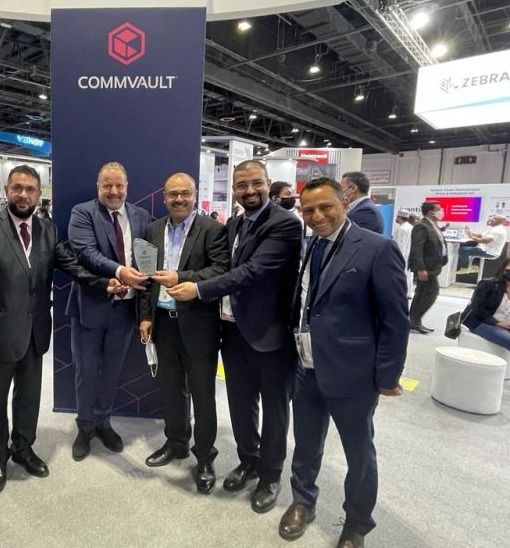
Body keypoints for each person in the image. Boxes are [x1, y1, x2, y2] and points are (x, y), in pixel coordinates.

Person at [0, 165, 122, 494]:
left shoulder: (47, 228)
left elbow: (69, 263)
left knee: (29, 397)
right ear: (7, 190)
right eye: (18, 188)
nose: (24, 195)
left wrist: (105, 282)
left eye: (31, 189)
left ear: (39, 193)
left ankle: (23, 449)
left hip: (35, 330)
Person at [278, 177, 408, 548]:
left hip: (353, 373)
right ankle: (303, 502)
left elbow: (396, 320)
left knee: (360, 454)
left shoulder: (377, 249)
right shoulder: (309, 246)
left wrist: (387, 376)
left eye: (325, 207)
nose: (317, 216)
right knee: (305, 445)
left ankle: (357, 524)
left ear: (344, 204)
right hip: (306, 368)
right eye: (309, 210)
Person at [169, 160, 302, 514]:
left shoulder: (286, 224)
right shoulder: (236, 224)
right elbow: (226, 267)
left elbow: (251, 272)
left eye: (255, 183)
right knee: (241, 404)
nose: (248, 191)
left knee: (274, 410)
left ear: (268, 184)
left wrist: (196, 288)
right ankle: (249, 460)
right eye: (241, 185)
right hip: (232, 329)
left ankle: (271, 476)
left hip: (269, 334)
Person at [138, 173, 229, 493]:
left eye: (185, 194)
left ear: (195, 195)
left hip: (199, 324)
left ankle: (204, 456)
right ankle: (176, 443)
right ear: (163, 197)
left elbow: (220, 270)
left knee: (203, 395)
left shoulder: (213, 230)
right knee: (171, 389)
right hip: (163, 323)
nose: (179, 199)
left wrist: (182, 275)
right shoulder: (152, 229)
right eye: (173, 194)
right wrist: (146, 316)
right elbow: (148, 278)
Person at [66, 161, 149, 460]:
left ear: (127, 187)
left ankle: (103, 421)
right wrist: (120, 271)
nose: (114, 191)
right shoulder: (82, 212)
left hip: (125, 311)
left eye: (119, 185)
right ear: (97, 187)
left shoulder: (141, 215)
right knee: (86, 372)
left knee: (112, 372)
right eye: (107, 186)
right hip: (91, 307)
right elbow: (85, 252)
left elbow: (145, 257)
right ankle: (85, 426)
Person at [408, 201, 448, 334]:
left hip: (433, 267)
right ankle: (414, 320)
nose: (441, 210)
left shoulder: (433, 225)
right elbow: (416, 249)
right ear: (430, 212)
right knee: (431, 293)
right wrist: (421, 268)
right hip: (426, 268)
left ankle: (413, 321)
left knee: (421, 293)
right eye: (438, 209)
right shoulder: (421, 226)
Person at [462, 257, 510, 351]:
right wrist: (497, 323)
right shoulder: (487, 285)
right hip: (481, 321)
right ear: (503, 270)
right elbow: (476, 307)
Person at [392, 209, 414, 296]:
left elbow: (401, 245)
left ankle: (401, 292)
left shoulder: (402, 229)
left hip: (402, 255)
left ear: (400, 217)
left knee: (402, 274)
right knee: (408, 274)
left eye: (397, 216)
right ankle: (408, 292)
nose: (396, 218)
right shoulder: (410, 227)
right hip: (409, 255)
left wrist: (398, 258)